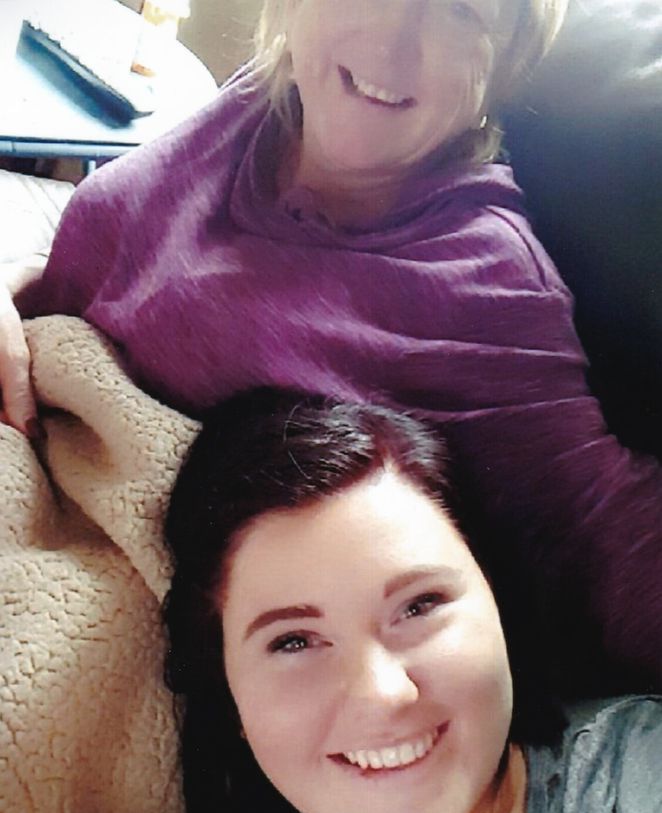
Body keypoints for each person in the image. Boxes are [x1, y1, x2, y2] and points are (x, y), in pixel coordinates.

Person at [1, 1, 660, 685]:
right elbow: (125, 261)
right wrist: (14, 284)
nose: (393, 42)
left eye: (461, 10)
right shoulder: (271, 98)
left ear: (507, 61)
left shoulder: (486, 284)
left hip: (95, 623)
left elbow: (610, 547)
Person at [44, 387, 662, 813]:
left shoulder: (637, 789)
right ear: (228, 695)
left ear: (496, 602)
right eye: (293, 641)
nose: (383, 694)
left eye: (419, 606)